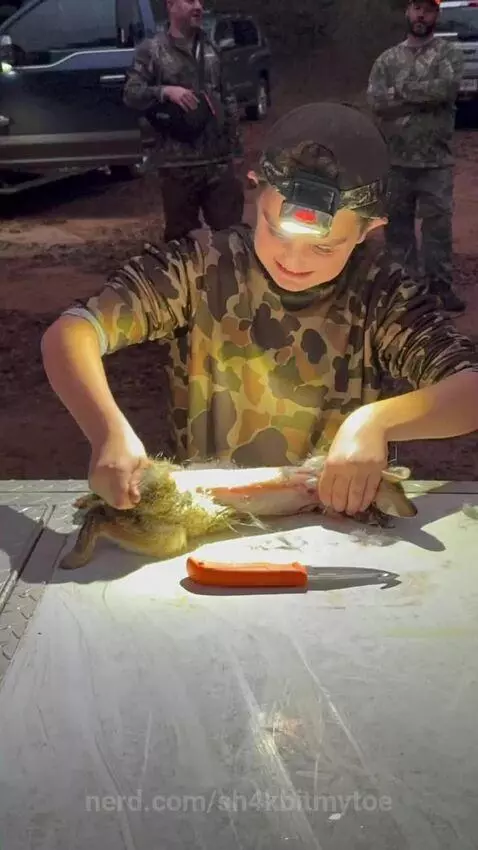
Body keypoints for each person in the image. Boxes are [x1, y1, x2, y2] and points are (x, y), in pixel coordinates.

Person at [41, 102, 478, 519]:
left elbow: (469, 388)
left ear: (368, 229)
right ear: (255, 188)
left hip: (338, 522)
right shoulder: (199, 267)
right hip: (203, 517)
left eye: (324, 247)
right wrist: (107, 430)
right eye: (275, 230)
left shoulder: (382, 294)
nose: (294, 259)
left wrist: (376, 422)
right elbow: (72, 332)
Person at [367, 0, 465, 313]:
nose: (422, 15)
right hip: (395, 161)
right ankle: (406, 289)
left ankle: (440, 287)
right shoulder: (387, 59)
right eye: (417, 9)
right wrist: (421, 95)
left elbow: (445, 90)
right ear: (407, 12)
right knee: (397, 229)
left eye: (429, 10)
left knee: (437, 228)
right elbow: (376, 101)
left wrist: (400, 92)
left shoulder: (448, 54)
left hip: (435, 161)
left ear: (437, 15)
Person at [123, 0, 244, 242]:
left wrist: (235, 147)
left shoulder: (211, 48)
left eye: (200, 1)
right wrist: (165, 91)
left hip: (218, 162)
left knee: (231, 236)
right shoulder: (153, 50)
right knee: (181, 241)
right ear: (171, 5)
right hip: (177, 166)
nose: (198, 6)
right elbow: (131, 94)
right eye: (189, 1)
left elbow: (227, 97)